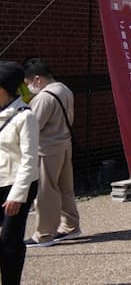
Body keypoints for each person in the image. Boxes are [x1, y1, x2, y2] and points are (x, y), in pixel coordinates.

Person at [23, 58, 81, 248]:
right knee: (66, 188)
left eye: (29, 82)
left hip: (46, 149)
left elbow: (32, 127)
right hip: (64, 144)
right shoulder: (64, 89)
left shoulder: (43, 98)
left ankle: (44, 234)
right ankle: (71, 225)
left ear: (37, 79)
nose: (29, 86)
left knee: (46, 192)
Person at [0, 62, 39, 284]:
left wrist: (17, 195)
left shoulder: (25, 117)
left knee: (9, 240)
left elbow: (29, 160)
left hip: (17, 186)